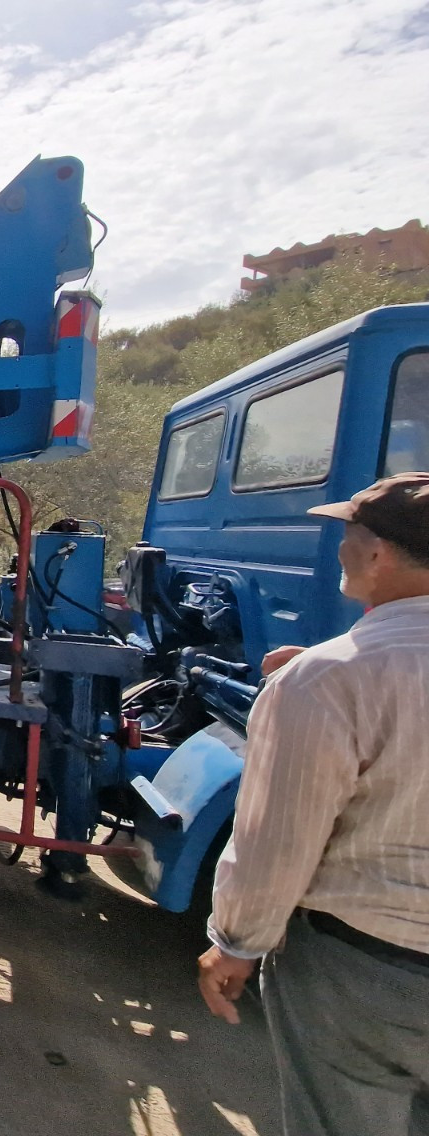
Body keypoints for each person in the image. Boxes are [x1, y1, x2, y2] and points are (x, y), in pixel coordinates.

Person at [197, 471, 429, 1136]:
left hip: (366, 973)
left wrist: (236, 943)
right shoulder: (329, 673)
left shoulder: (329, 679)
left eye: (347, 537)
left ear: (378, 554)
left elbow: (279, 839)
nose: (339, 550)